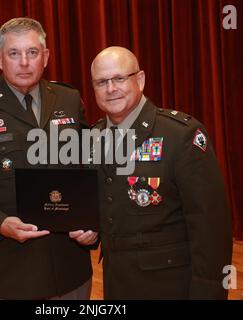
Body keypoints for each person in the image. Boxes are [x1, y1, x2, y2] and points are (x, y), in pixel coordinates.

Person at [0, 17, 98, 300]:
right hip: (11, 274)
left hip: (70, 269)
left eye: (32, 52)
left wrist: (92, 222)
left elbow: (90, 167)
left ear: (46, 57)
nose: (24, 62)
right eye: (14, 53)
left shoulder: (68, 99)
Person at [90, 46, 233, 299]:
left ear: (141, 79)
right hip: (117, 283)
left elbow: (211, 226)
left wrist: (208, 292)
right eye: (101, 82)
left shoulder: (181, 135)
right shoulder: (92, 137)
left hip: (170, 285)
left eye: (119, 78)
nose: (110, 88)